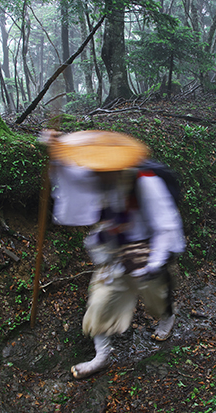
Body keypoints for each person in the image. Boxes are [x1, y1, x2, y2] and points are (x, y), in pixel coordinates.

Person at [42, 129, 185, 379]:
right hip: (114, 251)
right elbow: (74, 178)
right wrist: (56, 150)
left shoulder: (145, 181)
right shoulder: (100, 176)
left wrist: (154, 263)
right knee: (99, 303)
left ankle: (166, 318)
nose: (97, 172)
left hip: (147, 250)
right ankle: (102, 356)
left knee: (156, 298)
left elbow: (166, 225)